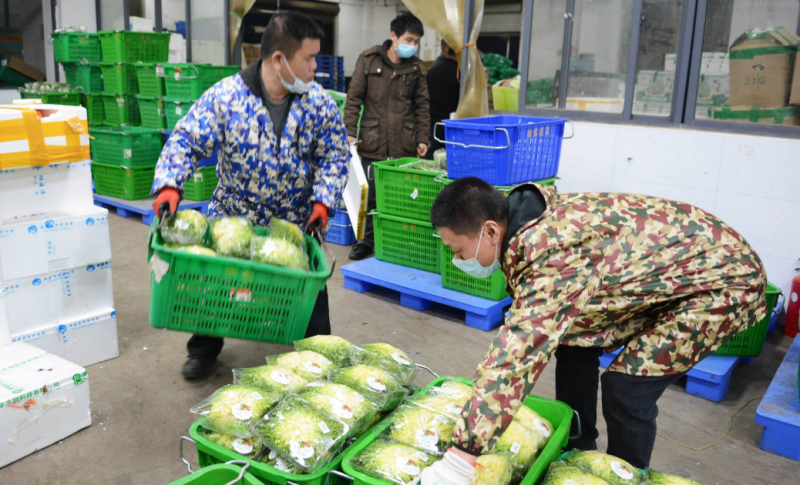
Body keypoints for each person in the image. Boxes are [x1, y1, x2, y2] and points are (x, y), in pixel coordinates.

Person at [418, 178, 767, 483]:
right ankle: (578, 449)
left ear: (491, 231)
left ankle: (623, 476)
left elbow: (517, 357)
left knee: (628, 386)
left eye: (457, 250)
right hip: (677, 270)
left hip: (722, 284)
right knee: (571, 342)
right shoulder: (529, 222)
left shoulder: (552, 254)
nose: (457, 260)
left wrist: (463, 454)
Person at [150, 12, 350, 380]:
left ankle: (319, 354)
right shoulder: (227, 97)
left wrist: (323, 202)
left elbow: (335, 156)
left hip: (295, 220)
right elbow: (185, 140)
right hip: (234, 215)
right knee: (216, 286)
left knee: (311, 291)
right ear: (279, 59)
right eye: (308, 58)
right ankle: (204, 349)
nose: (315, 68)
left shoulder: (318, 103)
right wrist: (168, 185)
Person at [344, 12, 430, 261]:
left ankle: (398, 243)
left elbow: (422, 106)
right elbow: (353, 100)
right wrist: (350, 132)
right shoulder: (369, 60)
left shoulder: (416, 67)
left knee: (401, 197)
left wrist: (422, 137)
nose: (412, 46)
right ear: (393, 36)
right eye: (408, 39)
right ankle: (366, 242)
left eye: (416, 42)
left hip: (404, 143)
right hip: (373, 141)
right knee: (369, 196)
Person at [425, 40, 460, 159]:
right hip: (452, 122)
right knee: (450, 154)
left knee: (436, 152)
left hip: (434, 120)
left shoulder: (434, 70)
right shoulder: (459, 73)